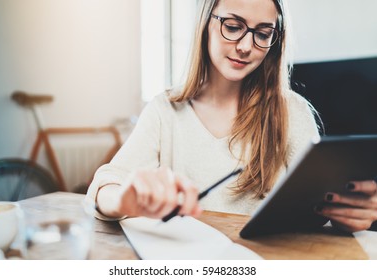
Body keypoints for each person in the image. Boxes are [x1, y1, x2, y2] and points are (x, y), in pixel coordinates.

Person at [86, 0, 377, 232]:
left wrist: (346, 216)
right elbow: (105, 187)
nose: (246, 46)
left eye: (263, 33)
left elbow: (322, 208)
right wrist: (124, 198)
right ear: (206, 22)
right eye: (233, 26)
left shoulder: (292, 111)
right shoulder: (165, 110)